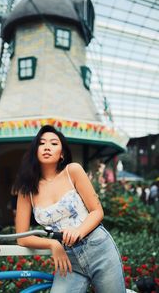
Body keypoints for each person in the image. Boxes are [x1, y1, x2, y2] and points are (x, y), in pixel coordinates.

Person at [14, 125, 126, 293]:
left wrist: (78, 231)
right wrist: (52, 244)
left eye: (53, 143)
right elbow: (22, 238)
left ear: (62, 153)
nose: (47, 147)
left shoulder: (72, 171)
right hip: (68, 260)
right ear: (35, 151)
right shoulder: (27, 189)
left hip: (98, 247)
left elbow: (97, 211)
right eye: (41, 143)